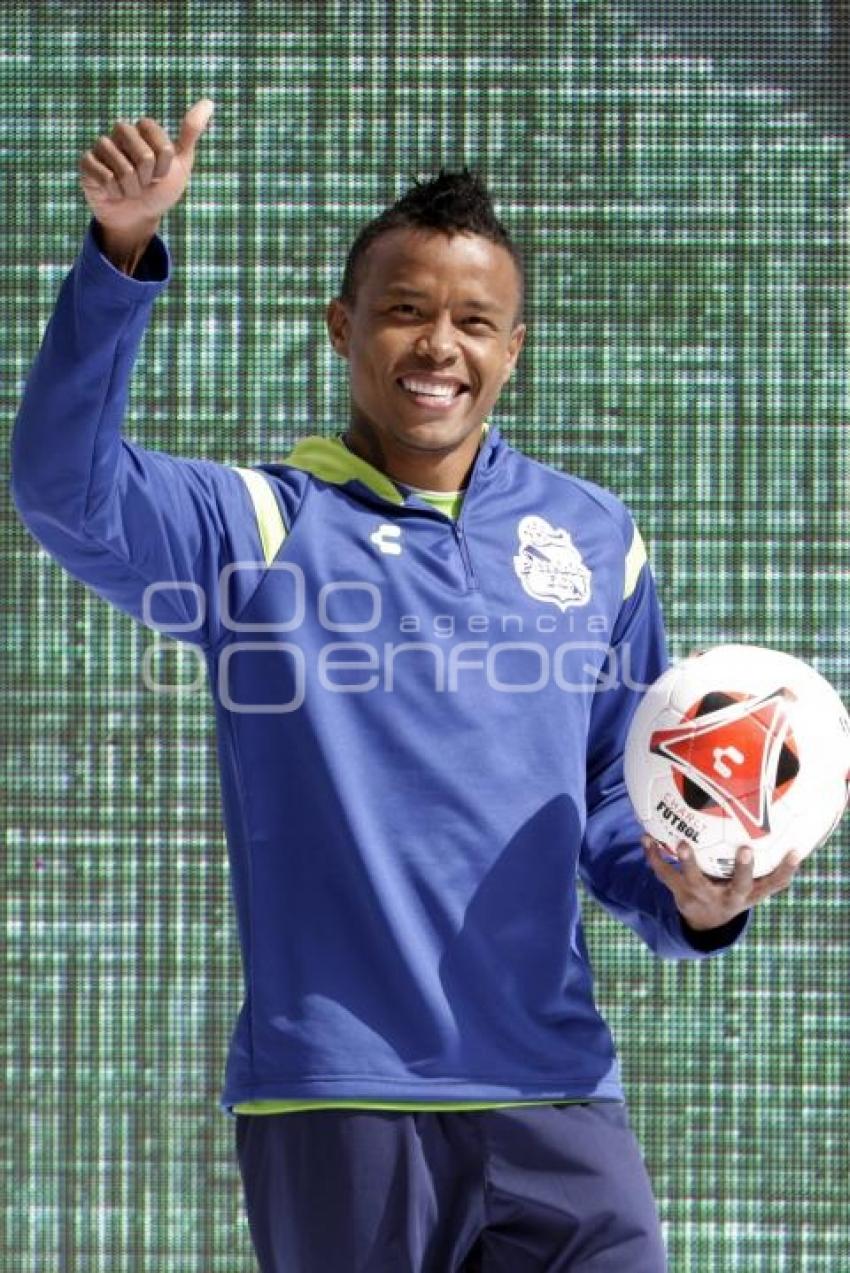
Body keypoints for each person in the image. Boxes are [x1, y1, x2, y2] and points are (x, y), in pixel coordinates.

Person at [11, 99, 805, 1273]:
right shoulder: (258, 527)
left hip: (557, 1091)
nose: (440, 345)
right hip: (342, 1097)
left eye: (475, 321)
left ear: (514, 347)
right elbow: (62, 490)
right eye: (404, 312)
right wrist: (119, 257)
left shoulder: (596, 539)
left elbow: (613, 801)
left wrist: (698, 904)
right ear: (342, 329)